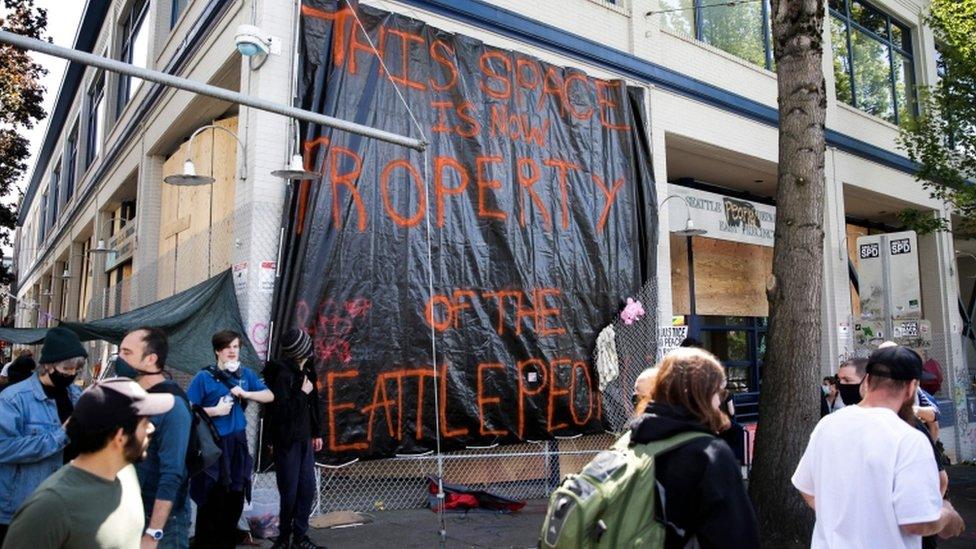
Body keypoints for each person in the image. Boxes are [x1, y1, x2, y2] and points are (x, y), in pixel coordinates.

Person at [792, 346, 964, 547]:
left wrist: (841, 518)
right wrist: (947, 515)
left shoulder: (827, 425)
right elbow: (917, 523)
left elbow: (805, 487)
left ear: (867, 381)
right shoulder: (908, 438)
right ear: (911, 387)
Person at [2, 377, 175, 549]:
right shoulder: (50, 507)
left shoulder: (126, 475)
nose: (151, 428)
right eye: (144, 422)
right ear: (119, 436)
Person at [629, 347, 759, 548]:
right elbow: (740, 538)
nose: (719, 400)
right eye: (718, 392)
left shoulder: (630, 442)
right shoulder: (709, 455)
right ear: (701, 394)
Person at [187, 330, 273, 549]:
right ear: (218, 351)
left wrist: (247, 394)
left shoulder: (246, 375)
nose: (233, 351)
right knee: (212, 498)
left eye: (236, 347)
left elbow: (269, 395)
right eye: (228, 347)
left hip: (238, 443)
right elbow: (187, 409)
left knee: (235, 496)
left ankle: (227, 542)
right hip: (214, 445)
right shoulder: (204, 377)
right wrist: (214, 411)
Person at [0, 328, 86, 545]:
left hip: (66, 504)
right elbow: (4, 448)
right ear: (48, 364)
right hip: (23, 506)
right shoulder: (14, 398)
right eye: (66, 368)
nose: (71, 374)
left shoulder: (77, 396)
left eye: (77, 369)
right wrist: (60, 435)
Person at [116, 328, 193, 549]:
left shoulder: (172, 405)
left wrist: (153, 533)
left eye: (127, 353)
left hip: (162, 522)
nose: (120, 359)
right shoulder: (133, 397)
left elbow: (172, 473)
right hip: (132, 512)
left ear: (151, 359)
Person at [263, 329, 324, 549]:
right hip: (287, 440)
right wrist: (302, 392)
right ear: (301, 350)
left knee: (306, 487)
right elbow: (281, 412)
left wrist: (316, 432)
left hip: (304, 439)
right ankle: (284, 538)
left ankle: (300, 536)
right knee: (289, 490)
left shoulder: (307, 371)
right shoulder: (282, 375)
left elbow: (312, 406)